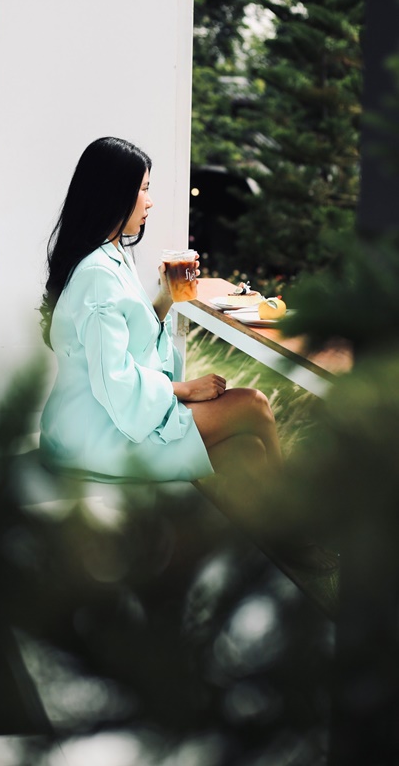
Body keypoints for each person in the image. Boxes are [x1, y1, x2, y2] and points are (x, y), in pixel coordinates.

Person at [39, 137, 337, 571]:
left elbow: (128, 344)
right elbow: (115, 381)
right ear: (115, 193)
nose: (150, 201)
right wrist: (184, 390)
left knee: (246, 451)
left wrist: (165, 296)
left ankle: (260, 552)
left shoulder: (109, 256)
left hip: (94, 423)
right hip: (97, 435)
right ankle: (292, 534)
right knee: (253, 406)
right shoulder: (98, 274)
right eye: (143, 189)